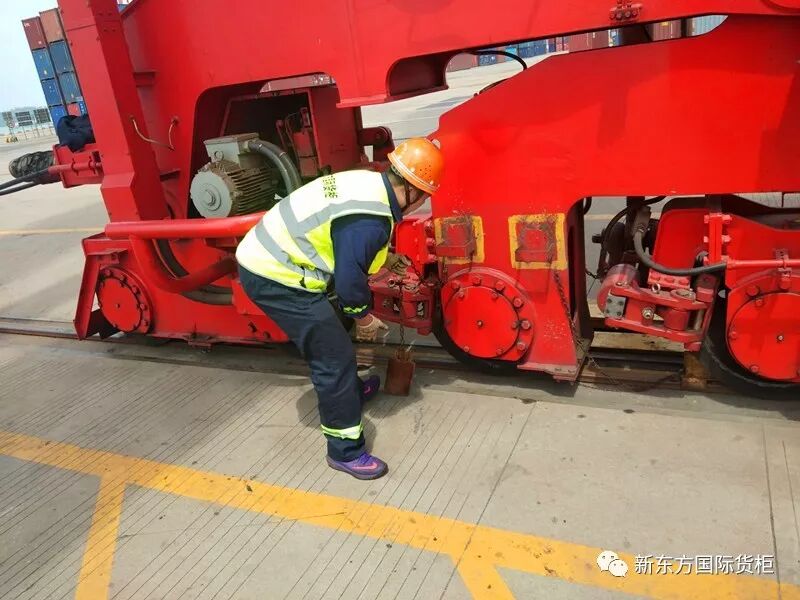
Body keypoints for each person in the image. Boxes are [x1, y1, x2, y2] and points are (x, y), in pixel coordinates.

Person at [235, 138, 444, 480]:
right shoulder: (372, 219)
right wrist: (363, 316)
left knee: (333, 339)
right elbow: (349, 282)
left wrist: (387, 258)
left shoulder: (368, 182)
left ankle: (350, 394)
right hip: (277, 276)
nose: (421, 203)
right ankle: (345, 451)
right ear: (414, 192)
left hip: (269, 256)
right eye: (424, 197)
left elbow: (348, 239)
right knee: (334, 359)